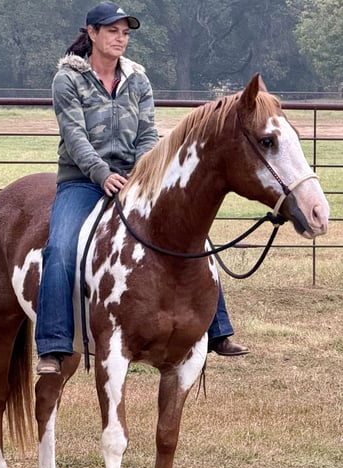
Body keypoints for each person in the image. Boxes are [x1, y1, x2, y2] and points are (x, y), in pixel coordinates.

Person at [35, 1, 248, 375]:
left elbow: (148, 133)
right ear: (92, 33)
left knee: (196, 241)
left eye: (125, 33)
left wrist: (142, 173)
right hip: (82, 181)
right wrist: (102, 174)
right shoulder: (67, 79)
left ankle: (218, 330)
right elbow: (74, 137)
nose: (120, 39)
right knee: (61, 248)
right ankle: (53, 344)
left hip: (134, 178)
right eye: (113, 31)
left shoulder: (138, 80)